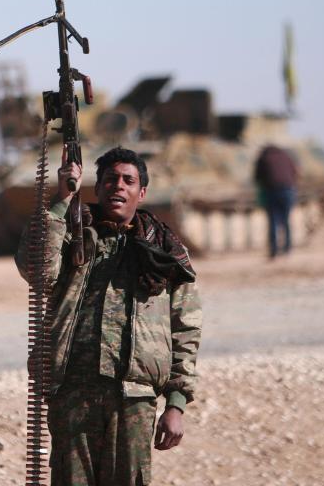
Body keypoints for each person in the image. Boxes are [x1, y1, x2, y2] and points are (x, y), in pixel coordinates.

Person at [16, 146, 202, 486]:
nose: (119, 186)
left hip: (133, 398)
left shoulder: (164, 250)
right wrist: (61, 200)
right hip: (72, 392)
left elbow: (185, 331)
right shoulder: (72, 236)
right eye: (110, 179)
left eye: (128, 180)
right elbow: (37, 270)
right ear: (98, 187)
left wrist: (176, 404)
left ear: (141, 192)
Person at [254, 144, 299, 258]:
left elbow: (257, 177)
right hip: (288, 190)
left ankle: (274, 251)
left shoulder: (264, 158)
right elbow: (295, 172)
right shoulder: (286, 156)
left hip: (272, 191)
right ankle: (287, 249)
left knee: (273, 221)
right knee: (286, 221)